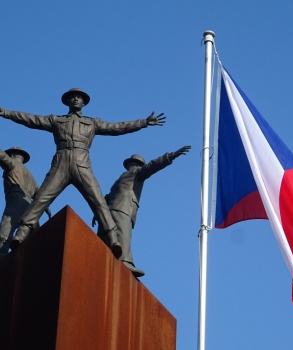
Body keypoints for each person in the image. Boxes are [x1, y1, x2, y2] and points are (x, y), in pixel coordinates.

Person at [0, 88, 165, 258]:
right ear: (68, 101)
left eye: (79, 97)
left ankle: (113, 239)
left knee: (99, 202)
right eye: (73, 97)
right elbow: (30, 119)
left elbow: (117, 127)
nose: (76, 99)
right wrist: (5, 112)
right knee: (41, 199)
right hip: (60, 163)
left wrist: (143, 122)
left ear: (84, 102)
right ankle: (21, 234)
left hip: (82, 164)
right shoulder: (56, 120)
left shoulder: (92, 123)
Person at [94, 146, 191, 277]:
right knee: (119, 235)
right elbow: (108, 196)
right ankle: (121, 261)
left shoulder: (129, 176)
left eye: (133, 163)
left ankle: (112, 260)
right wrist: (98, 213)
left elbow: (153, 166)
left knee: (114, 235)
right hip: (119, 209)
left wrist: (170, 156)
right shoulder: (128, 176)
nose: (132, 165)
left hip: (116, 210)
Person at [0, 147, 51, 257]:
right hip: (31, 207)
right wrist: (46, 208)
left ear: (13, 155)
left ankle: (2, 256)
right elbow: (39, 193)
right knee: (33, 237)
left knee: (6, 230)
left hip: (16, 200)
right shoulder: (30, 175)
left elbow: (1, 156)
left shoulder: (12, 164)